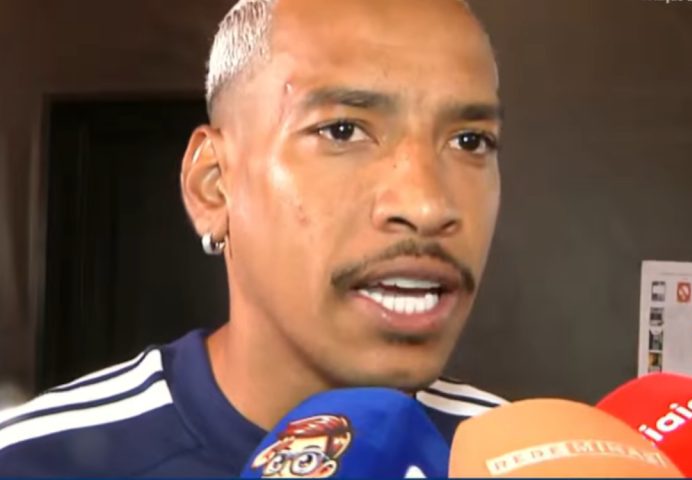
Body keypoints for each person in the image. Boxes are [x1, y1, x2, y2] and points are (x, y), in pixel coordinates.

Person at [0, 0, 505, 475]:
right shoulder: (28, 463)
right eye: (342, 131)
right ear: (213, 186)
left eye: (470, 141)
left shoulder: (520, 458)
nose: (427, 207)